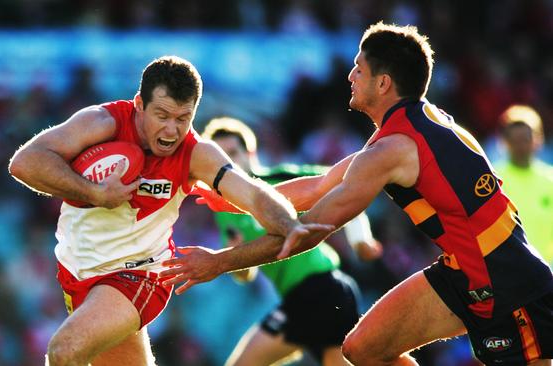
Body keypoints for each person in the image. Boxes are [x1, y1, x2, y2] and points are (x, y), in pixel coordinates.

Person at [161, 23, 553, 366]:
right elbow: (319, 186)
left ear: (383, 84)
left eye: (358, 69)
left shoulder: (391, 150)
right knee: (364, 348)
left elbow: (308, 231)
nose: (349, 76)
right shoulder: (420, 122)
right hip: (464, 271)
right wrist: (234, 197)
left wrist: (219, 262)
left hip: (508, 281)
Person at [8, 55, 332, 366]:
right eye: (162, 116)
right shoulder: (102, 123)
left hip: (140, 275)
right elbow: (24, 163)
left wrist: (289, 225)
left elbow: (253, 193)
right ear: (139, 105)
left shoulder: (197, 153)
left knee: (65, 351)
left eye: (183, 119)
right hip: (78, 276)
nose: (171, 131)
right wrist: (94, 192)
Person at [200, 117, 381, 366]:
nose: (232, 165)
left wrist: (361, 239)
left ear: (250, 152)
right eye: (224, 160)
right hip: (304, 297)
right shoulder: (224, 210)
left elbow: (347, 184)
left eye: (234, 154)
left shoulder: (281, 180)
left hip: (322, 287)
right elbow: (245, 275)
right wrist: (235, 252)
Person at [493, 104, 553, 265]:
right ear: (505, 142)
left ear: (538, 139)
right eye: (515, 140)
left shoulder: (550, 180)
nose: (520, 146)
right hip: (508, 270)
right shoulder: (494, 180)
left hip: (547, 273)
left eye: (525, 139)